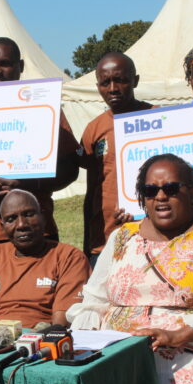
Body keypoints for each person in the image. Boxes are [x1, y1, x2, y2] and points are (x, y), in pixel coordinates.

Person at [67, 154, 193, 384]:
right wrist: (84, 340)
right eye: (150, 190)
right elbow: (94, 300)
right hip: (116, 357)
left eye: (171, 188)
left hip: (188, 354)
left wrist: (174, 335)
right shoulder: (122, 237)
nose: (160, 196)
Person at [0, 37, 80, 274]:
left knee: (40, 304)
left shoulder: (44, 108)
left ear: (20, 67)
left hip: (36, 231)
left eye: (4, 63)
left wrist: (28, 182)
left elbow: (70, 169)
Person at [0, 189, 90, 328]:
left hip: (37, 339)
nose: (22, 225)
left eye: (29, 215)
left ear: (44, 217)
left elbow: (61, 323)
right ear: (3, 227)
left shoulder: (69, 257)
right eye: (11, 219)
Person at [79, 52, 154, 267]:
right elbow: (92, 188)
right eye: (105, 82)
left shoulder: (158, 118)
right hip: (105, 239)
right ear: (98, 86)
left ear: (135, 81)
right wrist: (87, 244)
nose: (112, 88)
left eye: (120, 80)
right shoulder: (94, 129)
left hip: (152, 234)